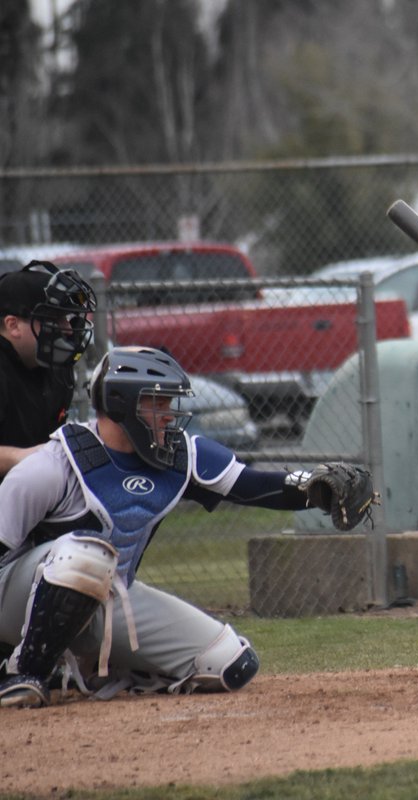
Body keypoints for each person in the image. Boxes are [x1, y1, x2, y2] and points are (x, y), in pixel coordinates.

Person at [0, 346, 373, 708]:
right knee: (84, 554)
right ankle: (23, 672)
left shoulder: (177, 456)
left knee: (229, 663)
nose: (168, 415)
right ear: (120, 405)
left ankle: (105, 670)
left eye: (168, 404)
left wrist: (315, 489)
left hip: (111, 601)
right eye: (156, 403)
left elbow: (252, 486)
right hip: (18, 605)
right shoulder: (54, 464)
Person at [0, 261, 97, 480]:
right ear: (13, 325)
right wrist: (26, 457)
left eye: (66, 317)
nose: (66, 328)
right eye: (53, 318)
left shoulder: (55, 368)